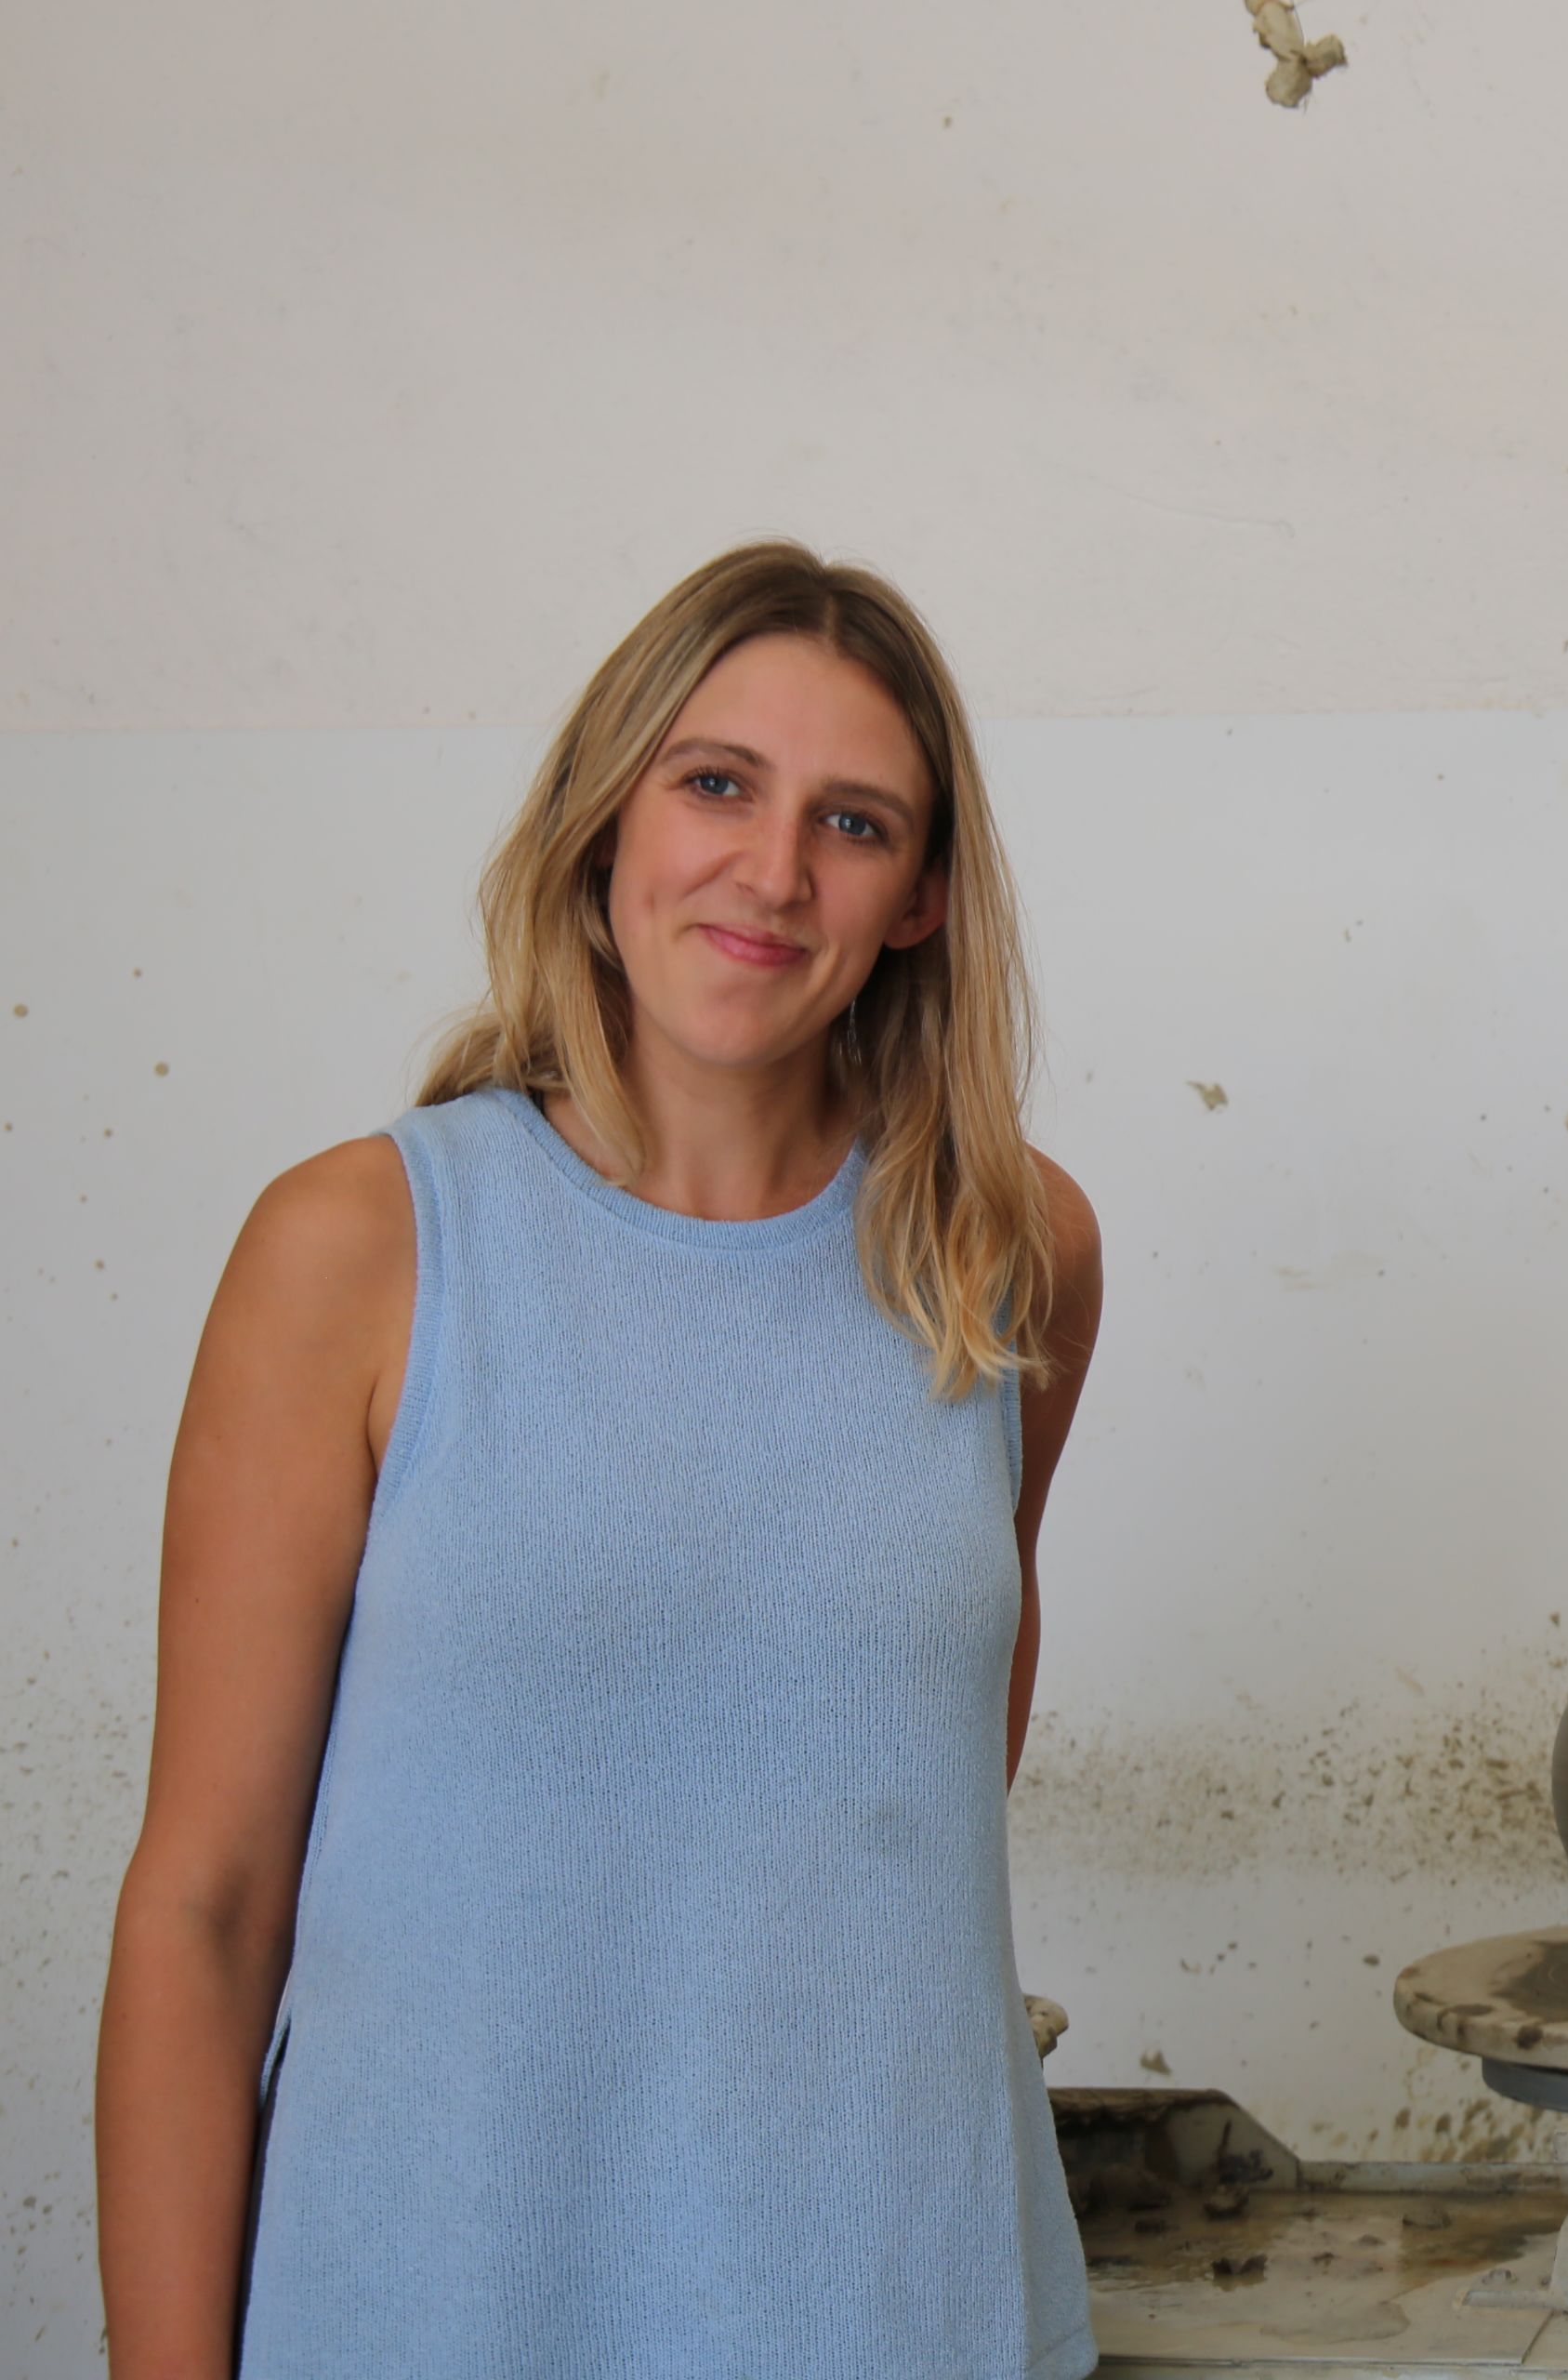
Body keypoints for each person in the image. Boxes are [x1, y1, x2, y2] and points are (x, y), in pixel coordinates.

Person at [93, 544, 1106, 2377]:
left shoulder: (1005, 1247)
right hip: (440, 2311)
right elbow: (203, 1905)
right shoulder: (360, 1248)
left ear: (925, 897)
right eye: (716, 781)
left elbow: (912, 1798)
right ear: (602, 817)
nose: (773, 870)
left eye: (854, 820)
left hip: (900, 2309)